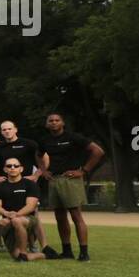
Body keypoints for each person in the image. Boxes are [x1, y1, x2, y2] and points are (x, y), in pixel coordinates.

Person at [39, 112, 104, 261]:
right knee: (60, 217)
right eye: (51, 121)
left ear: (63, 123)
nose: (54, 123)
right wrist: (43, 171)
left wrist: (84, 171)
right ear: (47, 124)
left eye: (57, 120)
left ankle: (83, 252)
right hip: (54, 179)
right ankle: (67, 251)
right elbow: (38, 154)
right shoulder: (45, 141)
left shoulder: (73, 138)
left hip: (70, 179)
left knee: (76, 216)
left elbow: (98, 151)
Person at [0, 157, 49, 261]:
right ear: (5, 169)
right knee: (15, 255)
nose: (12, 168)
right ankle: (43, 255)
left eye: (15, 166)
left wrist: (14, 215)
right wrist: (6, 213)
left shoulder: (30, 184)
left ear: (21, 169)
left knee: (17, 221)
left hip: (28, 219)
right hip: (9, 220)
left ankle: (23, 253)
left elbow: (30, 206)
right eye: (9, 166)